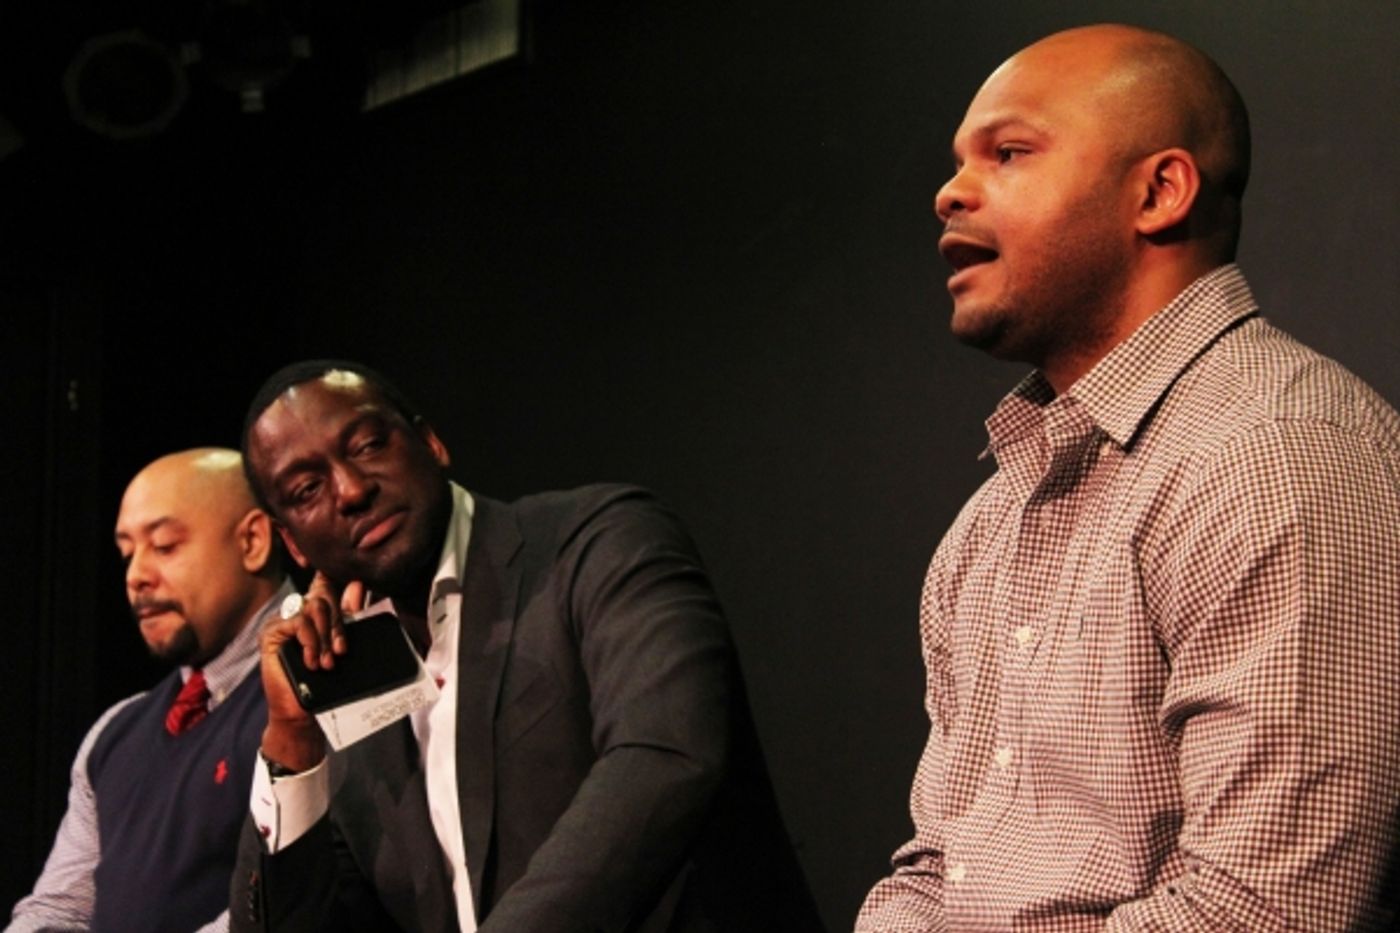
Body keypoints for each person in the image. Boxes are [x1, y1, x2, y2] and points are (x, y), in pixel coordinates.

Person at [857, 23, 1400, 932]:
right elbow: (940, 869)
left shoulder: (1276, 456)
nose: (950, 191)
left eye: (1009, 151)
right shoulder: (993, 519)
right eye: (959, 162)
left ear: (1159, 191)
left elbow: (1262, 910)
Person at [231, 360, 823, 932]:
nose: (352, 489)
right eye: (308, 488)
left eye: (367, 445)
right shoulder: (345, 683)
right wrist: (291, 741)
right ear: (293, 544)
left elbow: (663, 757)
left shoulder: (596, 542)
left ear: (430, 443)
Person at [8, 449, 292, 933]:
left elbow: (293, 904)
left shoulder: (318, 691)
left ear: (253, 541)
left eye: (163, 546)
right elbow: (58, 909)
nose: (135, 575)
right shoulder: (116, 733)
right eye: (126, 553)